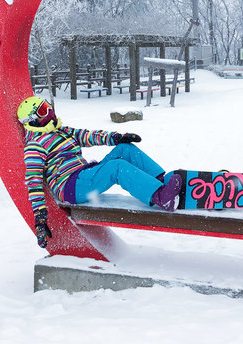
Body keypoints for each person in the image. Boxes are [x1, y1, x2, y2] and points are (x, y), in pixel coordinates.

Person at [18, 96, 182, 248]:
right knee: (117, 167)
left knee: (124, 148)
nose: (49, 111)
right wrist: (40, 218)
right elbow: (33, 181)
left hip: (84, 174)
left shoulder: (61, 131)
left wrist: (117, 138)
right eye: (43, 110)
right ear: (32, 120)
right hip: (71, 186)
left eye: (48, 106)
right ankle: (161, 197)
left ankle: (161, 182)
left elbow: (88, 136)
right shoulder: (34, 146)